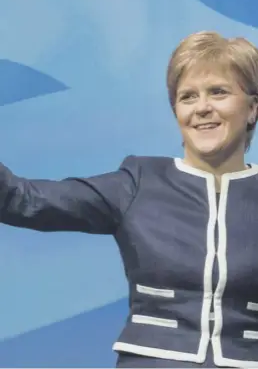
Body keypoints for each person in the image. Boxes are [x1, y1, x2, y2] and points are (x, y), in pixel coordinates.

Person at [1, 31, 258, 368]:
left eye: (218, 92)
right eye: (187, 97)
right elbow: (22, 200)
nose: (202, 108)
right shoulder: (139, 183)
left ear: (252, 108)